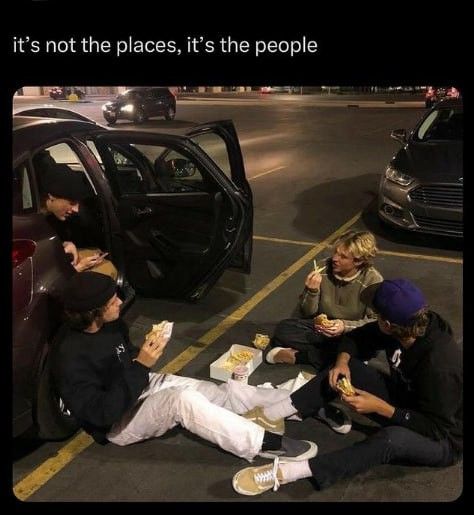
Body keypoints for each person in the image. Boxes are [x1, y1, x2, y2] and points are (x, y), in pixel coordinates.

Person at [53, 272, 318, 463]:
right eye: (112, 302)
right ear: (92, 312)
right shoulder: (70, 356)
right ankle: (263, 443)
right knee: (183, 401)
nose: (120, 303)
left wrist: (144, 352)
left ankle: (299, 402)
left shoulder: (111, 324)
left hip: (139, 384)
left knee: (215, 392)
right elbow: (102, 414)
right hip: (118, 422)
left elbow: (126, 357)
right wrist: (141, 365)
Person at [232, 279, 462, 496]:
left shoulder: (440, 367)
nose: (373, 317)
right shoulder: (408, 325)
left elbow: (436, 427)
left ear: (388, 324)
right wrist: (342, 363)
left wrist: (381, 408)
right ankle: (272, 416)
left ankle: (289, 472)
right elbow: (357, 338)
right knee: (348, 366)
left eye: (376, 314)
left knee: (392, 439)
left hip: (442, 438)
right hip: (409, 400)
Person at [266, 230, 382, 369]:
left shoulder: (372, 280)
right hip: (322, 329)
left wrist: (344, 326)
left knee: (368, 344)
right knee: (283, 329)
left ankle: (301, 356)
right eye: (336, 252)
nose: (335, 258)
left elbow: (376, 322)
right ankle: (341, 359)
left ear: (359, 261)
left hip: (351, 332)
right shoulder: (323, 268)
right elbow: (307, 313)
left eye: (343, 256)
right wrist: (312, 291)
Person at [39, 160, 118, 279]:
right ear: (51, 197)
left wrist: (64, 244)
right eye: (71, 202)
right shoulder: (31, 224)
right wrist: (79, 268)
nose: (76, 210)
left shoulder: (52, 218)